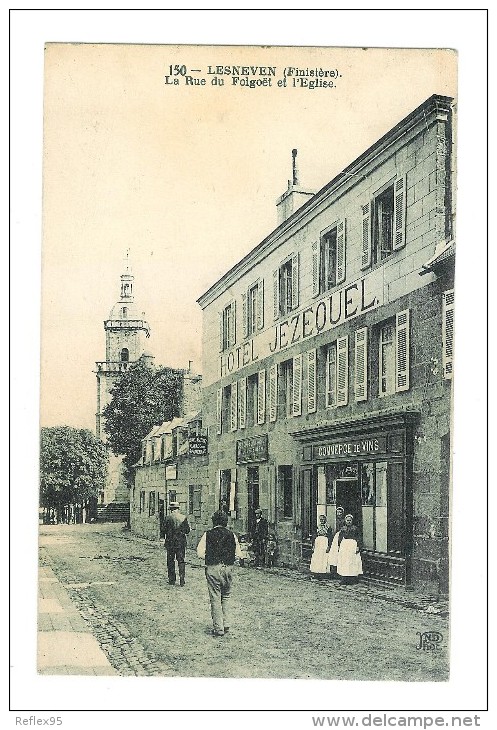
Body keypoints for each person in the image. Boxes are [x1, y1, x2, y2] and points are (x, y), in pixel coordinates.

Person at [197, 510, 244, 637]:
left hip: (213, 568)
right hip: (228, 568)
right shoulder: (232, 535)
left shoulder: (208, 534)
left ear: (214, 521)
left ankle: (218, 628)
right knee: (226, 596)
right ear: (225, 522)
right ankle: (226, 623)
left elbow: (200, 553)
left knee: (215, 597)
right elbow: (239, 554)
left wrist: (210, 556)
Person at [164, 501, 190, 586]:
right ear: (178, 509)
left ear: (171, 509)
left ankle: (172, 580)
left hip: (170, 543)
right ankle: (182, 580)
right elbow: (187, 531)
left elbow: (163, 530)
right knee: (181, 560)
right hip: (180, 543)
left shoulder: (167, 518)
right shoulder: (183, 517)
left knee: (170, 561)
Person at [335, 513, 363, 585]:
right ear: (345, 521)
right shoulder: (343, 528)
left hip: (352, 545)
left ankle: (352, 579)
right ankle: (344, 578)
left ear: (352, 521)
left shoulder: (355, 528)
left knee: (352, 562)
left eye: (350, 520)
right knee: (344, 562)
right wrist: (338, 546)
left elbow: (359, 538)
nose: (349, 522)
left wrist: (358, 547)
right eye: (347, 520)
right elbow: (340, 538)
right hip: (345, 546)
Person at [310, 514, 334, 578]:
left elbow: (330, 537)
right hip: (318, 543)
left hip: (324, 542)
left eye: (323, 519)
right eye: (321, 519)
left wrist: (329, 546)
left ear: (325, 519)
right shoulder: (317, 526)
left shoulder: (328, 527)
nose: (322, 520)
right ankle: (316, 571)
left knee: (323, 557)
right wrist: (313, 545)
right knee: (317, 557)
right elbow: (314, 536)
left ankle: (323, 572)